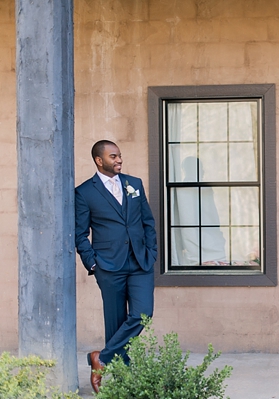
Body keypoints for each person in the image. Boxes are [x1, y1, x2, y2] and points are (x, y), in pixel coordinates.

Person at [75, 140, 157, 393]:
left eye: (120, 155)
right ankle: (124, 382)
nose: (119, 159)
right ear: (99, 160)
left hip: (140, 261)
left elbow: (147, 222)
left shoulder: (135, 184)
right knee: (115, 322)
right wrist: (93, 262)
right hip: (108, 266)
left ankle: (100, 358)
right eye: (113, 156)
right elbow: (79, 233)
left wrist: (151, 252)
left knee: (143, 313)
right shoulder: (84, 192)